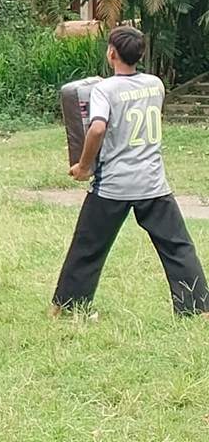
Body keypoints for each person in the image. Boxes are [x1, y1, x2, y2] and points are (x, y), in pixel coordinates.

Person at [52, 26, 209, 320]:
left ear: (111, 52)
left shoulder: (104, 90)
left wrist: (84, 167)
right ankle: (198, 309)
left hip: (114, 185)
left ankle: (67, 307)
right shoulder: (156, 84)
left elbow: (98, 127)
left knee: (87, 247)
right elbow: (131, 95)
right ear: (140, 54)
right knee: (177, 247)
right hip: (153, 183)